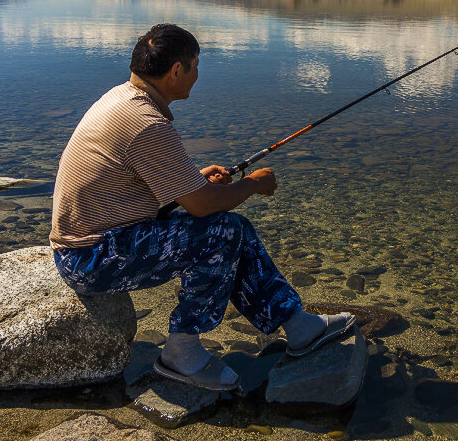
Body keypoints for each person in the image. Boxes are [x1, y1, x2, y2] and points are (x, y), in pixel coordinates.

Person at [49, 23, 354, 390]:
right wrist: (252, 184)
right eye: (195, 65)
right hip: (90, 258)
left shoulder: (122, 98)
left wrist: (192, 180)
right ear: (177, 70)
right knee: (223, 233)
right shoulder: (145, 123)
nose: (197, 74)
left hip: (101, 241)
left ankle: (297, 324)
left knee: (232, 230)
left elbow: (137, 182)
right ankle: (181, 353)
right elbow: (202, 207)